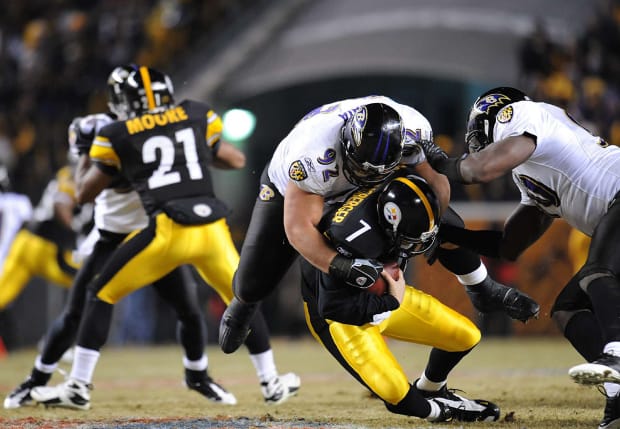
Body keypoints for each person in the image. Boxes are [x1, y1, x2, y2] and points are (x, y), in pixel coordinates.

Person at [19, 66, 298, 410]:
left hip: (165, 230)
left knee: (99, 294)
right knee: (242, 300)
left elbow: (84, 192)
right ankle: (270, 380)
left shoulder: (115, 132)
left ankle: (78, 385)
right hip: (212, 228)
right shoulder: (194, 114)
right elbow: (235, 158)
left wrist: (85, 155)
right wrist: (195, 150)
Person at [219, 95, 539, 354]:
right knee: (256, 278)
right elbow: (299, 229)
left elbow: (438, 187)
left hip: (377, 180)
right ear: (347, 146)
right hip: (295, 189)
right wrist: (340, 264)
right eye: (364, 167)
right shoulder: (312, 156)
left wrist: (426, 228)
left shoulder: (412, 130)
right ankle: (244, 305)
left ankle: (481, 287)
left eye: (377, 169)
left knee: (430, 215)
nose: (367, 176)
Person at [423, 86, 620, 429]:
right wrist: (448, 234)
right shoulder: (529, 170)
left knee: (598, 272)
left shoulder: (522, 115)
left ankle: (617, 355)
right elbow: (508, 247)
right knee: (569, 307)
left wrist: (438, 163)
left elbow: (480, 170)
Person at [302, 171, 500, 422]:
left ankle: (431, 388)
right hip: (343, 319)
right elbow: (332, 306)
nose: (415, 247)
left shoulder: (412, 205)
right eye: (409, 239)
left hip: (387, 297)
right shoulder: (348, 237)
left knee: (466, 336)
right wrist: (391, 301)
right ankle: (442, 412)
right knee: (395, 392)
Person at [0, 163, 90, 313]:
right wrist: (74, 227)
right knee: (94, 281)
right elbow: (61, 203)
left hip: (27, 241)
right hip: (45, 244)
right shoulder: (76, 172)